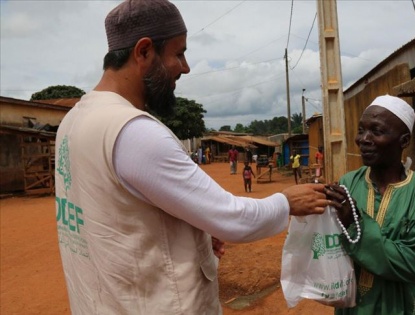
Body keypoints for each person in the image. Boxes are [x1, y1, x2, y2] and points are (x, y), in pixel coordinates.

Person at [54, 1, 331, 313]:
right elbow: (233, 218)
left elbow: (115, 220)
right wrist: (287, 202)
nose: (185, 67)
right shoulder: (134, 132)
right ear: (144, 52)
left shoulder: (73, 122)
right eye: (179, 53)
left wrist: (192, 234)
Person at [324, 95, 415, 315]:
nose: (363, 139)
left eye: (376, 131)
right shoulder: (348, 183)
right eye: (361, 130)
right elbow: (332, 249)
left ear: (404, 141)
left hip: (400, 306)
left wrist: (355, 224)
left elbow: (413, 264)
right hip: (353, 306)